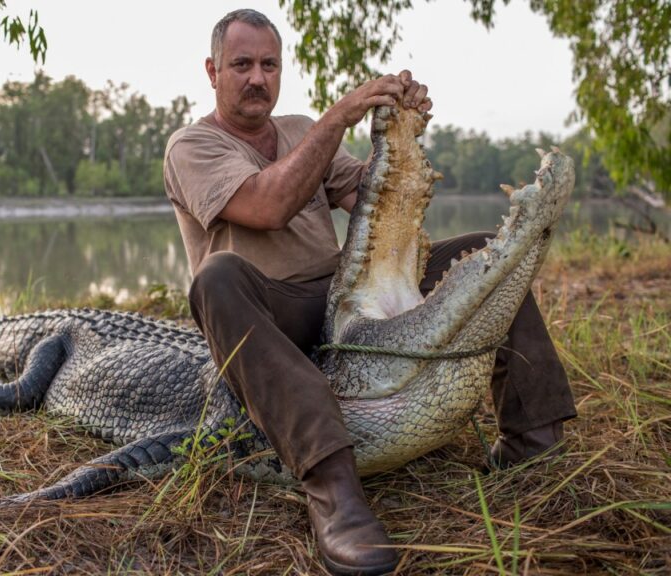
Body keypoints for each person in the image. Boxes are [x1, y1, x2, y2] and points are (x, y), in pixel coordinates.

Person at [163, 9, 577, 575]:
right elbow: (268, 203)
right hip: (266, 311)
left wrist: (400, 131)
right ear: (212, 71)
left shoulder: (297, 130)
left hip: (340, 295)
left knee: (482, 250)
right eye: (241, 65)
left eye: (268, 64)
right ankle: (334, 490)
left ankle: (533, 436)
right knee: (216, 277)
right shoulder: (192, 146)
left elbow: (373, 201)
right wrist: (339, 117)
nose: (257, 77)